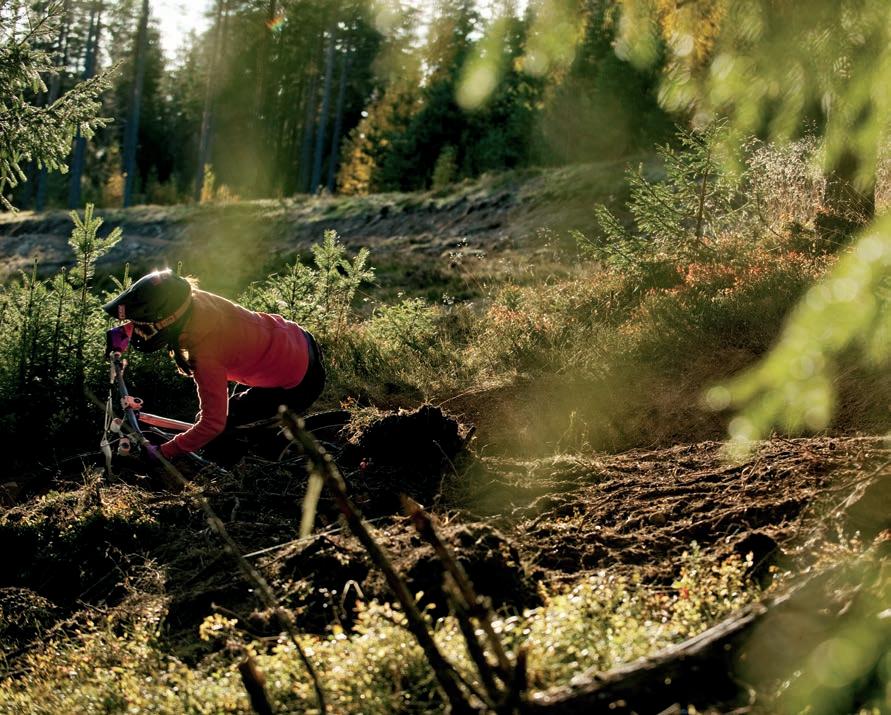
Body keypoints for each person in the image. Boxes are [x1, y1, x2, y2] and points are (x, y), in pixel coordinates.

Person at [103, 268, 325, 465]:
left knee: (221, 436)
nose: (139, 329)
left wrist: (165, 452)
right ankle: (262, 442)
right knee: (239, 419)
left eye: (142, 326)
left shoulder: (206, 354)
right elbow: (164, 315)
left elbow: (212, 425)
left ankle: (241, 480)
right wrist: (126, 330)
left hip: (299, 382)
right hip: (295, 340)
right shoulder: (192, 301)